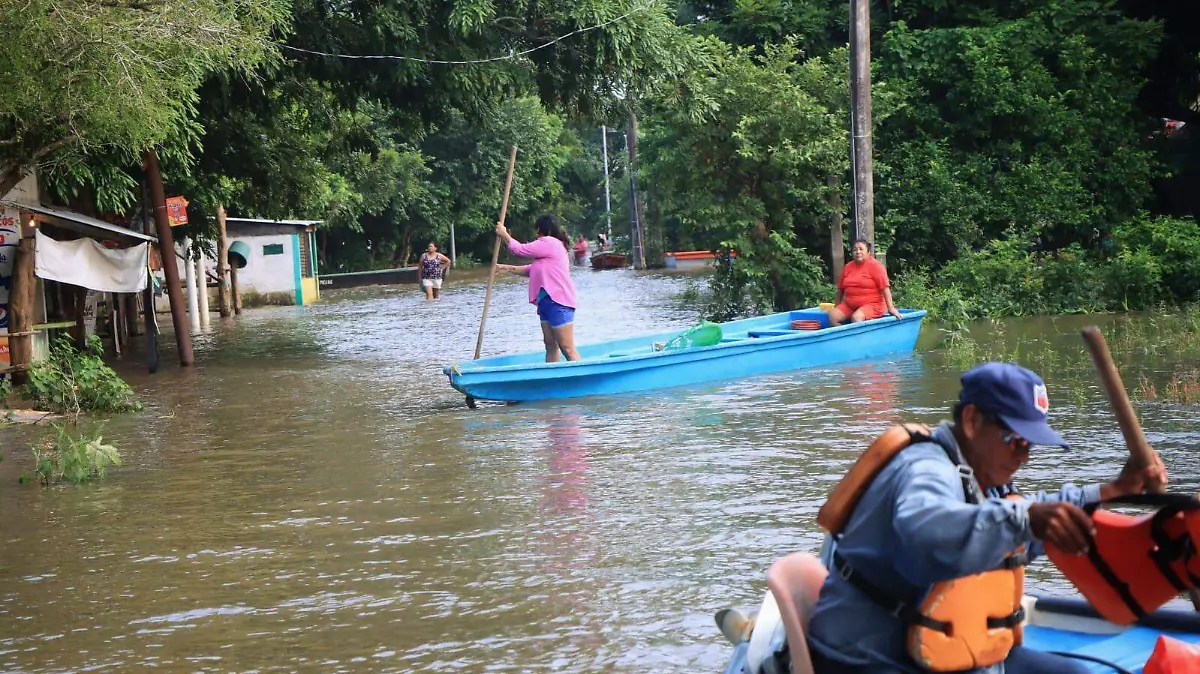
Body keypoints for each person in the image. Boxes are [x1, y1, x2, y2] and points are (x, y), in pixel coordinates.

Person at [807, 362, 1168, 674]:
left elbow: (1017, 519)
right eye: (1014, 439)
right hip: (870, 658)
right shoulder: (926, 470)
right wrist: (1027, 519)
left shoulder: (981, 475)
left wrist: (1115, 490)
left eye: (1030, 444)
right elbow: (929, 535)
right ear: (972, 420)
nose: (1022, 456)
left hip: (946, 654)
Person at [494, 214, 581, 363]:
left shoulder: (550, 243)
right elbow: (532, 270)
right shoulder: (548, 249)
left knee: (566, 347)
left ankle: (582, 380)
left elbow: (519, 250)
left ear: (544, 230)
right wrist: (507, 268)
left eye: (538, 230)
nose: (536, 234)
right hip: (546, 302)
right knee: (550, 345)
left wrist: (504, 234)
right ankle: (552, 379)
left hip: (558, 301)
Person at [830, 239, 902, 325]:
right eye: (855, 249)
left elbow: (885, 288)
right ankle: (842, 337)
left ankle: (860, 338)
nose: (858, 252)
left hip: (873, 305)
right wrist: (837, 307)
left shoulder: (876, 266)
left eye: (861, 249)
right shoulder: (848, 267)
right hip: (850, 305)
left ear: (868, 252)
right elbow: (840, 290)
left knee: (856, 318)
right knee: (833, 316)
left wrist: (891, 308)